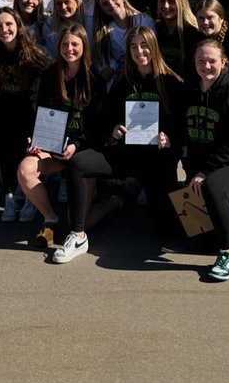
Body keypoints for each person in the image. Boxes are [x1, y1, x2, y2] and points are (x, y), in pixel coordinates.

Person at [52, 27, 183, 262]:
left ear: (154, 47)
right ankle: (78, 235)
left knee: (166, 232)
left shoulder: (171, 82)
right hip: (127, 155)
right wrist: (113, 128)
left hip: (157, 160)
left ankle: (131, 190)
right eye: (133, 46)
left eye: (144, 45)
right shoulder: (124, 82)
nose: (139, 51)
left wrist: (169, 137)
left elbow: (183, 124)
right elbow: (106, 117)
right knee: (78, 164)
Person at [18, 23, 102, 250]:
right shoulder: (48, 76)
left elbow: (98, 128)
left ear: (84, 46)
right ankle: (50, 218)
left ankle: (114, 202)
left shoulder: (94, 80)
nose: (69, 49)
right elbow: (36, 112)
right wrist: (33, 138)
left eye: (75, 44)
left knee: (79, 222)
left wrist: (76, 144)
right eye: (65, 44)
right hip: (52, 147)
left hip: (82, 152)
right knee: (26, 170)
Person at [183, 39, 229, 282]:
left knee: (212, 186)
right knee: (199, 242)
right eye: (201, 60)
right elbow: (182, 131)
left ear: (224, 62)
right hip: (200, 171)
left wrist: (206, 170)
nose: (206, 65)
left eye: (212, 61)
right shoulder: (189, 89)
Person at [0, 7, 50, 221]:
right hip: (2, 118)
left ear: (18, 25)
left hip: (28, 119)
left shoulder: (35, 56)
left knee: (26, 158)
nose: (4, 29)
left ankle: (29, 197)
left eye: (8, 24)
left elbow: (43, 96)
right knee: (4, 155)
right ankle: (10, 194)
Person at [92, 0, 154, 87]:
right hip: (122, 80)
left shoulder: (144, 21)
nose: (111, 4)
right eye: (105, 3)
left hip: (147, 76)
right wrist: (111, 67)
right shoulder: (106, 31)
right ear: (101, 8)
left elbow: (154, 51)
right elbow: (112, 60)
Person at [154, 0, 200, 75]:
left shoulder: (193, 31)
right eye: (162, 1)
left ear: (181, 3)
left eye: (171, 2)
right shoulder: (157, 28)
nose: (165, 6)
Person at [194, 0, 229, 77]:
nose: (205, 22)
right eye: (201, 18)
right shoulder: (196, 38)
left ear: (221, 19)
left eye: (210, 17)